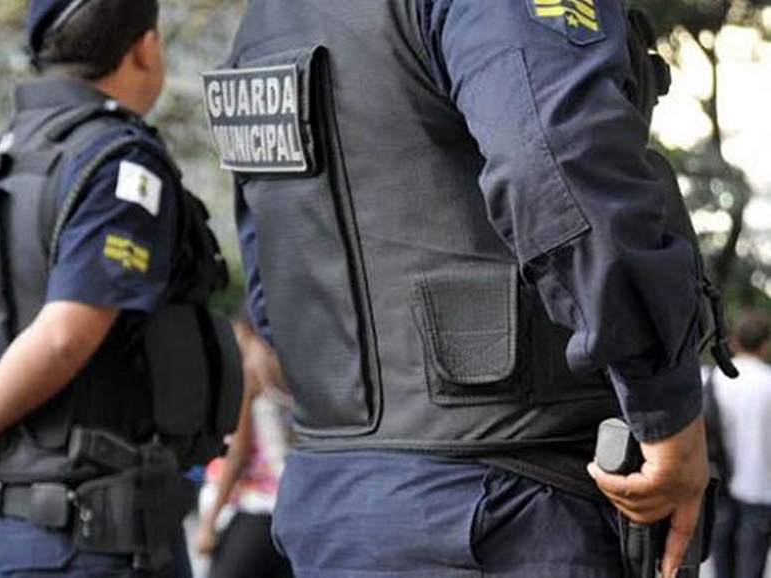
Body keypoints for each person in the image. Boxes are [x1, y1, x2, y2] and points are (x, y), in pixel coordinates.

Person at [204, 1, 712, 576]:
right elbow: (558, 164)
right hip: (510, 508)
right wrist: (665, 409)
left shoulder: (262, 24)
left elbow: (270, 278)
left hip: (336, 503)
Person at [0, 0, 235, 576]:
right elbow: (64, 334)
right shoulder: (116, 162)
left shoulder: (0, 166)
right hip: (93, 539)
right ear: (146, 48)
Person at [195, 318, 294, 578]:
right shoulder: (289, 370)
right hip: (290, 505)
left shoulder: (249, 375)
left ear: (249, 332)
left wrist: (209, 522)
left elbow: (237, 455)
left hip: (258, 506)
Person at [709, 311, 771, 578]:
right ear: (766, 344)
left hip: (720, 487)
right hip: (760, 489)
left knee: (722, 570)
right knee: (751, 571)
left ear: (734, 341)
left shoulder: (715, 378)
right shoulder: (769, 383)